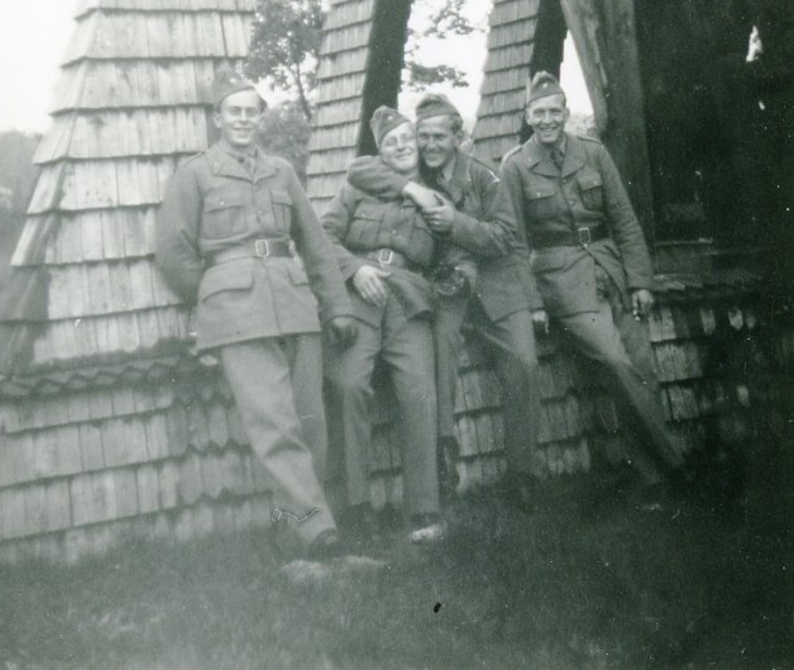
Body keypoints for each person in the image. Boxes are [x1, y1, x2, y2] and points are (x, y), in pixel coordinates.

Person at [155, 72, 357, 560]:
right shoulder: (196, 174)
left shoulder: (281, 172)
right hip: (237, 313)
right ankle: (315, 532)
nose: (243, 120)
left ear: (259, 117)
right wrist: (214, 295)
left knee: (311, 423)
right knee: (274, 424)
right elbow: (173, 252)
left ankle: (294, 522)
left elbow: (314, 243)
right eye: (234, 111)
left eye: (251, 111)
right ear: (217, 119)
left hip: (293, 303)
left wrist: (337, 307)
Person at [347, 93, 544, 509]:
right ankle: (444, 459)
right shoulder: (419, 177)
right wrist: (410, 189)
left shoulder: (485, 176)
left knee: (524, 362)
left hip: (496, 285)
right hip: (449, 288)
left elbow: (507, 237)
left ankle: (522, 473)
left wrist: (457, 223)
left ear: (459, 137)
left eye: (440, 137)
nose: (430, 146)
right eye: (424, 137)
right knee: (438, 355)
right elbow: (363, 169)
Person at [496, 71, 688, 493]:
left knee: (641, 365)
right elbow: (514, 245)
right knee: (615, 361)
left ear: (565, 113)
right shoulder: (515, 167)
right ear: (527, 117)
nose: (547, 120)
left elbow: (624, 220)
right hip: (563, 281)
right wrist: (533, 302)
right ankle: (676, 466)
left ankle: (652, 478)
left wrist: (640, 281)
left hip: (610, 269)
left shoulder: (594, 153)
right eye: (538, 113)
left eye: (554, 111)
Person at [320, 107, 446, 544]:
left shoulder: (438, 189)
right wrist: (355, 270)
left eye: (407, 137)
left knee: (418, 389)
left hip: (409, 300)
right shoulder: (355, 188)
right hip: (361, 296)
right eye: (391, 141)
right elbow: (323, 238)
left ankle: (424, 509)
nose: (401, 145)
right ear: (381, 152)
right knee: (350, 383)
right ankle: (356, 506)